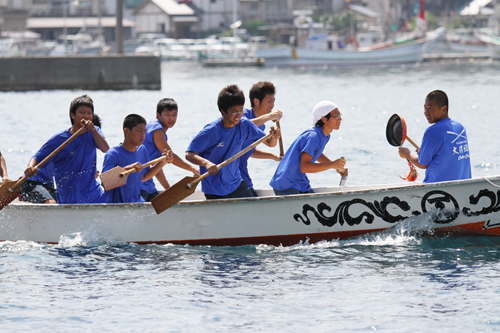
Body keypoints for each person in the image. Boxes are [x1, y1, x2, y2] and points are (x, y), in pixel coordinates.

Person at [186, 84, 280, 200]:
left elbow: (271, 143)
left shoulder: (244, 124)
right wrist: (206, 163)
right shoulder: (211, 131)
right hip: (215, 188)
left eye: (241, 110)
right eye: (234, 111)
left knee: (253, 212)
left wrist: (275, 135)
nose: (238, 115)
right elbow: (189, 154)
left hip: (236, 183)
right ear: (223, 111)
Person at [24, 94, 109, 204]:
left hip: (94, 194)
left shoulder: (95, 132)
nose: (86, 116)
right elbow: (37, 157)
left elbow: (105, 148)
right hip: (69, 197)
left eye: (89, 113)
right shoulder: (59, 139)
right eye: (82, 112)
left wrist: (93, 131)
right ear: (72, 115)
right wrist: (30, 167)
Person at [270, 100, 346, 195]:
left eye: (340, 115)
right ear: (324, 119)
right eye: (336, 116)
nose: (340, 119)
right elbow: (305, 167)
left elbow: (316, 153)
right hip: (286, 184)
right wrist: (332, 165)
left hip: (299, 182)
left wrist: (335, 166)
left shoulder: (324, 135)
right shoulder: (314, 136)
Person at [399, 90, 471, 183]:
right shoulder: (460, 127)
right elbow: (445, 154)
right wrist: (424, 153)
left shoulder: (432, 131)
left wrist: (407, 154)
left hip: (438, 189)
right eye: (425, 108)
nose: (426, 112)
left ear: (443, 109)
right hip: (463, 185)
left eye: (430, 107)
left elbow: (423, 164)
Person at [102, 114, 173, 203]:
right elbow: (105, 183)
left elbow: (144, 176)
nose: (143, 135)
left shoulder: (142, 150)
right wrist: (127, 169)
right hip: (117, 206)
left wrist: (162, 162)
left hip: (137, 203)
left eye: (144, 131)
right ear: (127, 131)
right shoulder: (112, 154)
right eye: (139, 131)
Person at [140, 98, 199, 202]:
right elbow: (170, 157)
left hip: (148, 185)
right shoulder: (157, 129)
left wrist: (168, 189)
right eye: (167, 114)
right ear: (158, 115)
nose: (171, 118)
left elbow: (158, 167)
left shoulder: (154, 127)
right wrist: (193, 169)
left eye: (174, 114)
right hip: (138, 184)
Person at [240, 81, 283, 196]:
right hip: (229, 172)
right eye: (269, 101)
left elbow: (267, 144)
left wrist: (274, 137)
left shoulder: (262, 124)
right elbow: (241, 126)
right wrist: (268, 116)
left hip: (242, 171)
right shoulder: (242, 114)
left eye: (273, 101)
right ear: (256, 101)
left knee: (252, 196)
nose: (272, 106)